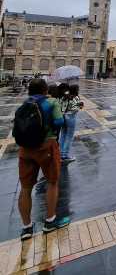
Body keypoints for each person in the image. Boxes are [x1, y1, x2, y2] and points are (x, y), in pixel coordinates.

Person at [16, 78, 70, 240]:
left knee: (25, 188)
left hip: (25, 150)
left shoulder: (25, 104)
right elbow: (60, 121)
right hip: (46, 147)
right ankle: (50, 220)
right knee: (52, 182)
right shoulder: (51, 102)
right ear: (45, 90)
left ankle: (26, 227)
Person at [59, 84, 83, 163]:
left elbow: (60, 105)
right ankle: (65, 155)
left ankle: (60, 153)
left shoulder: (64, 97)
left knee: (63, 135)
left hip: (63, 116)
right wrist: (80, 106)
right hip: (70, 117)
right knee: (69, 136)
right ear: (76, 90)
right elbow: (75, 108)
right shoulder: (75, 97)